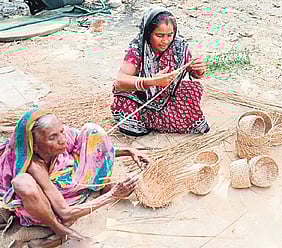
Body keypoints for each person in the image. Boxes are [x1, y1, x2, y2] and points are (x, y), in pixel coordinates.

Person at [0, 109, 152, 246]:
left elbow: (89, 145)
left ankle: (98, 186)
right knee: (23, 183)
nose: (62, 140)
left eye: (61, 131)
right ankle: (60, 230)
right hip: (49, 202)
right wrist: (112, 195)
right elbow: (65, 213)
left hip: (66, 181)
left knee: (93, 131)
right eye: (53, 137)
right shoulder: (34, 166)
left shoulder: (63, 138)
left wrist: (129, 151)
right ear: (35, 146)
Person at [111, 7, 210, 136]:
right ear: (148, 33)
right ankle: (150, 119)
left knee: (194, 89)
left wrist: (199, 69)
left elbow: (193, 73)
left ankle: (158, 118)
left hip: (165, 96)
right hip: (141, 98)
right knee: (122, 99)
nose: (166, 41)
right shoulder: (137, 49)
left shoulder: (178, 46)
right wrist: (152, 81)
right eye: (159, 35)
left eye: (170, 35)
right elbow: (119, 82)